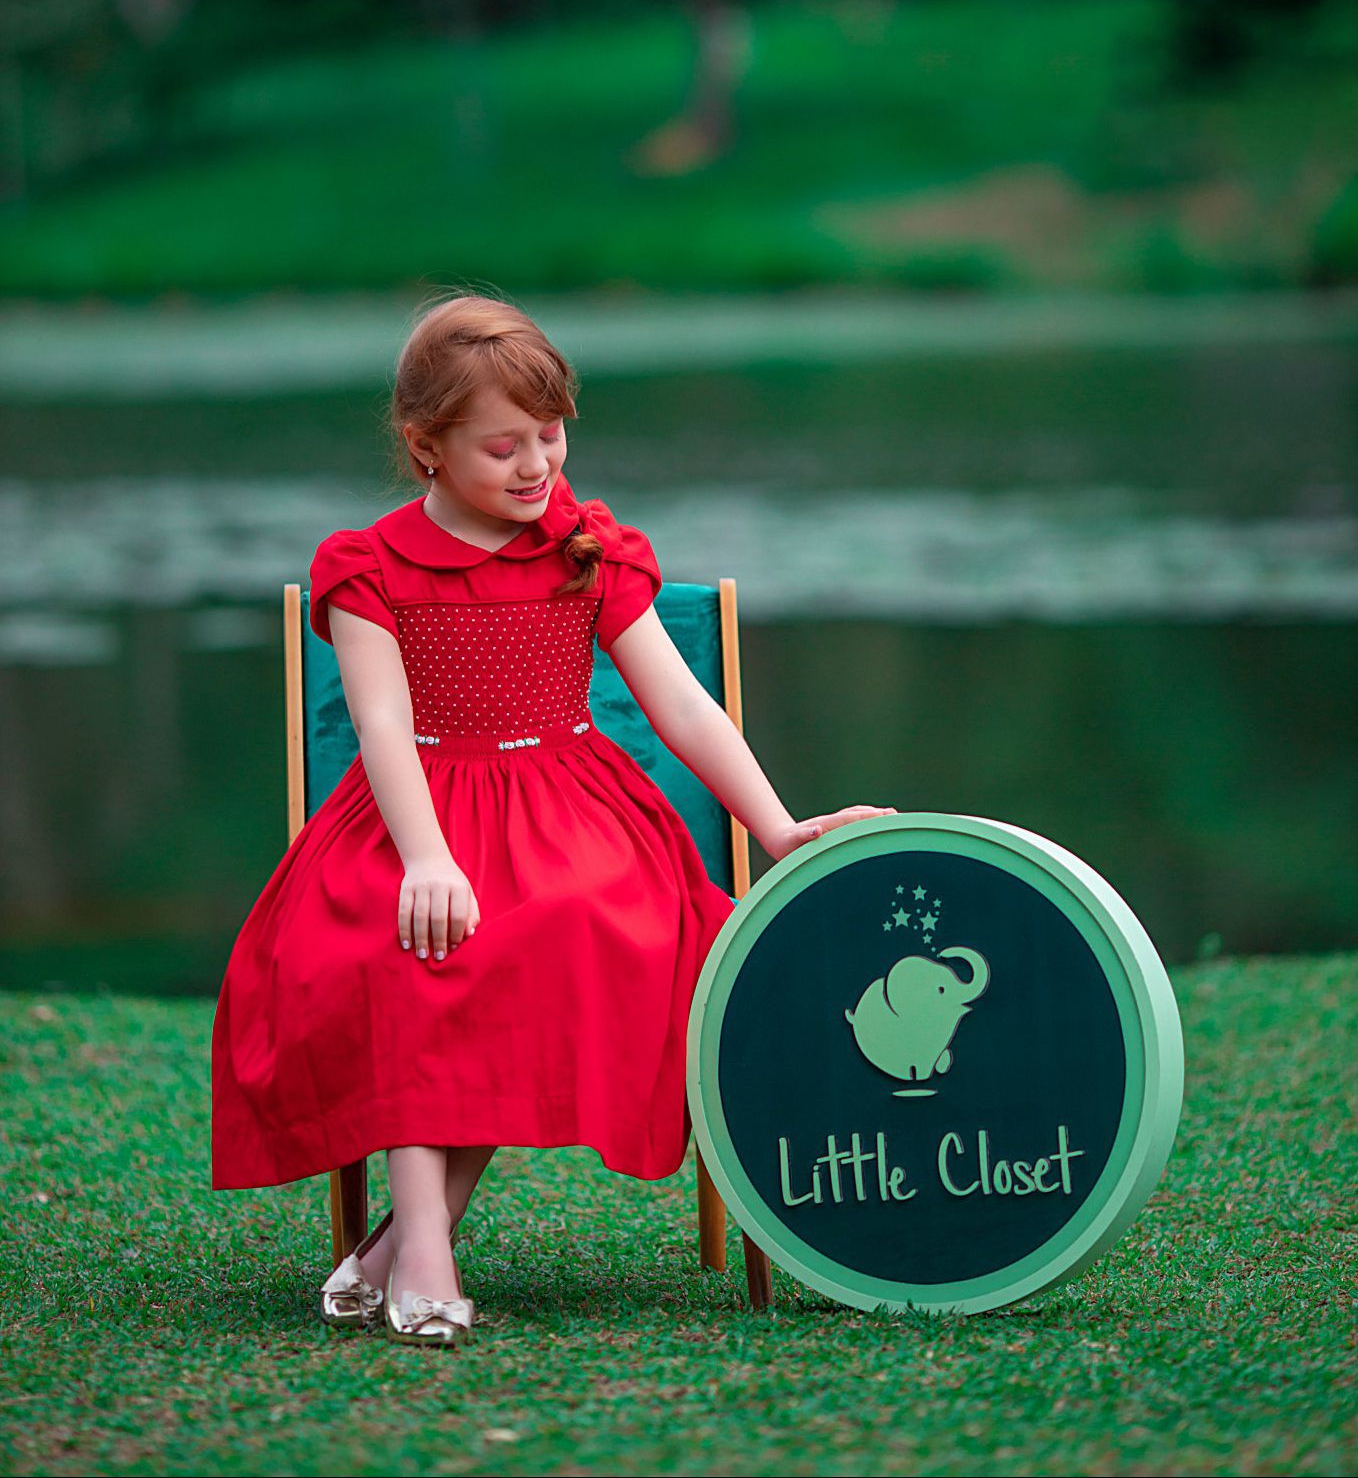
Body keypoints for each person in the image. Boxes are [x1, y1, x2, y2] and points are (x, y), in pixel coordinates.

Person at [211, 290, 897, 1346]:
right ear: (423, 446)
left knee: (563, 927)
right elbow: (381, 728)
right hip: (412, 813)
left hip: (570, 809)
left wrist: (772, 824)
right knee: (413, 947)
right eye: (503, 447)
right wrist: (427, 855)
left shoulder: (589, 547)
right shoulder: (368, 569)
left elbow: (677, 704)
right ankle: (425, 1242)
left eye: (550, 434)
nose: (536, 465)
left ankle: (405, 1242)